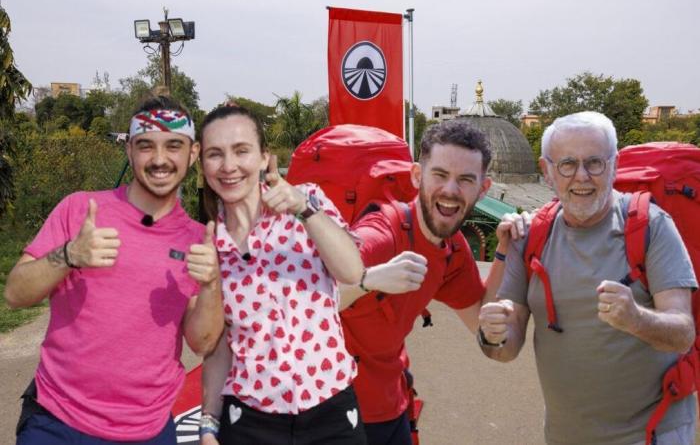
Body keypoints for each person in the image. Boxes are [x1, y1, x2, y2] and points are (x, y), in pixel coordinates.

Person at [5, 96, 224, 445]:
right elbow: (15, 294)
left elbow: (202, 342)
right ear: (129, 151)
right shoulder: (79, 208)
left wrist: (211, 285)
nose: (159, 159)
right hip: (56, 422)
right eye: (145, 146)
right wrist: (69, 254)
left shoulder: (199, 240)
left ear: (193, 153)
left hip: (147, 430)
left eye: (173, 146)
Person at [478, 111, 697, 445]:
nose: (581, 177)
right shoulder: (531, 236)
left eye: (594, 162)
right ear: (546, 171)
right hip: (566, 436)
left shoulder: (650, 225)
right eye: (567, 164)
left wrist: (636, 318)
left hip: (652, 433)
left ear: (614, 164)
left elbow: (683, 333)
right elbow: (506, 349)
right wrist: (493, 335)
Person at [337, 119, 528, 445]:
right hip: (335, 413)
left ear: (483, 188)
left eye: (466, 179)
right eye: (440, 174)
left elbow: (483, 327)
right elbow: (302, 300)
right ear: (416, 176)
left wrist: (505, 252)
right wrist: (367, 280)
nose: (451, 190)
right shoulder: (380, 234)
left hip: (391, 405)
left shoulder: (452, 250)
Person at [197, 105, 367, 444]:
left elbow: (352, 271)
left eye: (241, 150)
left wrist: (303, 208)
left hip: (330, 413)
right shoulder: (210, 245)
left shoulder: (308, 203)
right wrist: (208, 425)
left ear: (263, 158)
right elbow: (218, 346)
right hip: (250, 420)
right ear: (202, 165)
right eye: (215, 154)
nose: (229, 166)